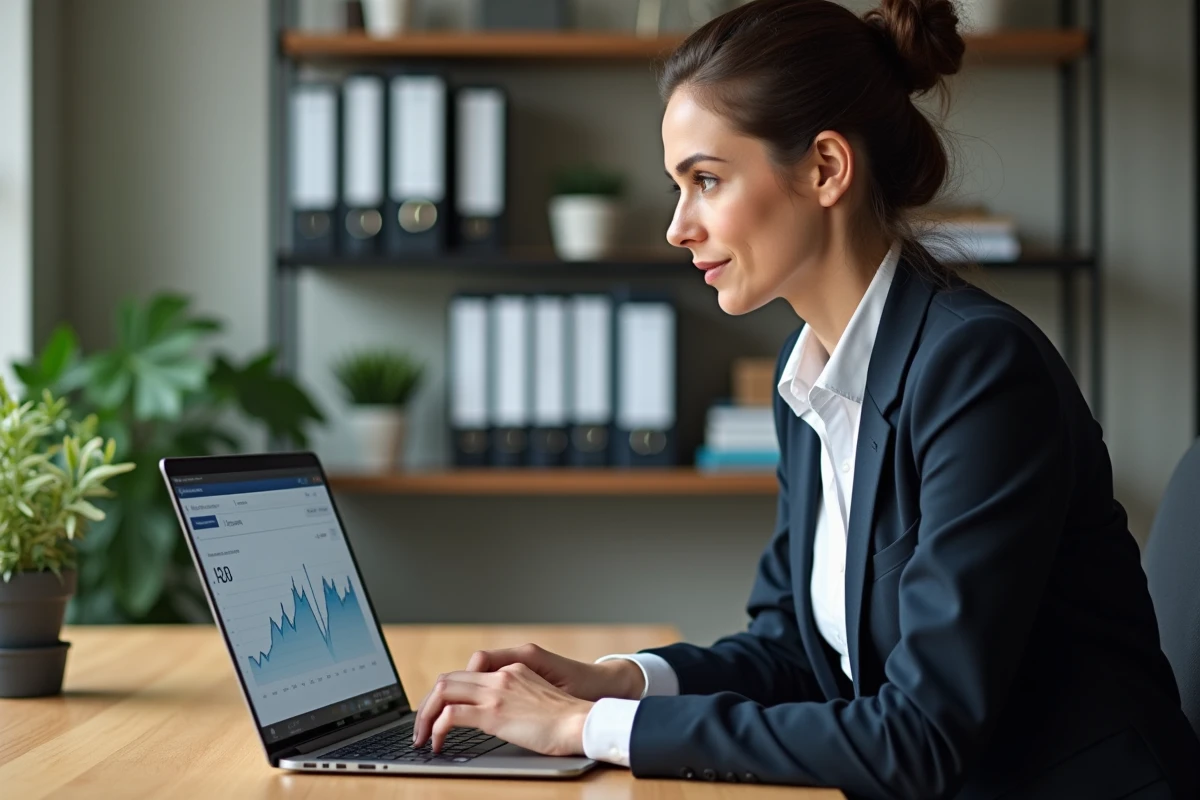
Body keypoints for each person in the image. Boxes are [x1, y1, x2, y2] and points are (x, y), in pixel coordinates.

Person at [412, 0, 1200, 796]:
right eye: (678, 187)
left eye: (706, 181)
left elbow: (920, 736)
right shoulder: (810, 373)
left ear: (825, 168)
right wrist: (614, 684)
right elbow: (794, 650)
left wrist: (581, 730)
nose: (678, 227)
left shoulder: (977, 370)